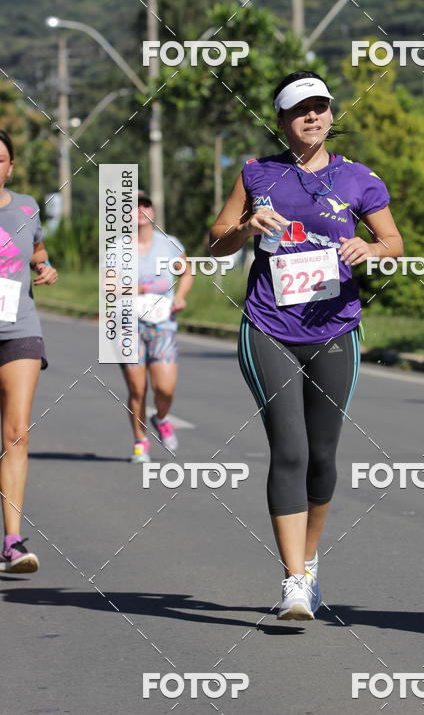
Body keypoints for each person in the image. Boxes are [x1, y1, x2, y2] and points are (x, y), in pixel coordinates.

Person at [210, 71, 404, 619]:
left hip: (335, 329)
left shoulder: (358, 178)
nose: (312, 117)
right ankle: (294, 579)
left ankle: (309, 558)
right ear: (282, 121)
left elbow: (394, 242)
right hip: (269, 326)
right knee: (290, 450)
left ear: (331, 114)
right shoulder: (257, 173)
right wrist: (247, 227)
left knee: (322, 457)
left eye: (320, 107)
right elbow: (217, 242)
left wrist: (371, 249)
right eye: (300, 110)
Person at [0, 130, 58, 573]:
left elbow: (36, 248)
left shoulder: (25, 207)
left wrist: (44, 265)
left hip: (19, 327)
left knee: (17, 433)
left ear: (11, 166)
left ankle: (12, 542)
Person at [121, 191, 193, 463]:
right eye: (133, 206)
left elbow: (186, 272)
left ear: (152, 211)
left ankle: (161, 418)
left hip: (163, 323)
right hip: (128, 324)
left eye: (145, 205)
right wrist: (132, 289)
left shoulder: (169, 244)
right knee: (137, 389)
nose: (140, 210)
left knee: (165, 388)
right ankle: (140, 442)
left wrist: (181, 297)